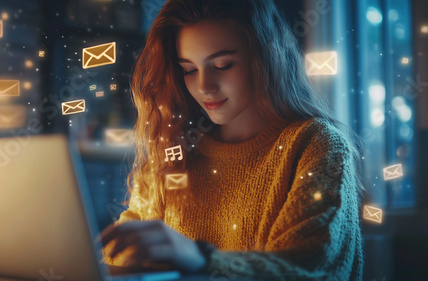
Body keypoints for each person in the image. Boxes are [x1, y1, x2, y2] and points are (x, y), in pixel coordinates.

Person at [97, 0, 365, 280]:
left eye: (222, 65)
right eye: (189, 69)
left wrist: (200, 257)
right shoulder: (176, 149)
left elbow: (311, 268)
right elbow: (121, 254)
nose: (204, 87)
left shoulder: (316, 144)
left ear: (264, 58)